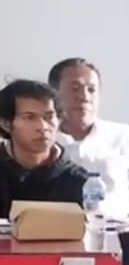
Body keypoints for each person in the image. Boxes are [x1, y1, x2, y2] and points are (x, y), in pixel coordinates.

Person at [50, 58, 129, 230]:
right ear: (54, 94)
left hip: (117, 233)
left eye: (91, 90)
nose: (84, 97)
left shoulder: (124, 136)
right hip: (57, 234)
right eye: (75, 88)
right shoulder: (43, 139)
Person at [0, 79, 88, 218]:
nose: (42, 127)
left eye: (49, 117)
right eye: (29, 117)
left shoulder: (77, 179)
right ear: (6, 123)